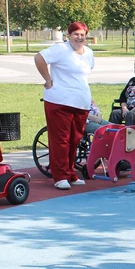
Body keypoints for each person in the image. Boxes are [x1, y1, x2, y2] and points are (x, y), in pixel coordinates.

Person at [34, 21, 94, 190]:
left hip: (80, 103)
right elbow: (39, 58)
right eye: (76, 34)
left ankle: (70, 172)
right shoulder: (61, 49)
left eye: (82, 35)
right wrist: (47, 79)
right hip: (59, 101)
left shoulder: (89, 53)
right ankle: (60, 176)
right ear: (69, 35)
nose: (79, 38)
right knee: (61, 140)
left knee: (74, 140)